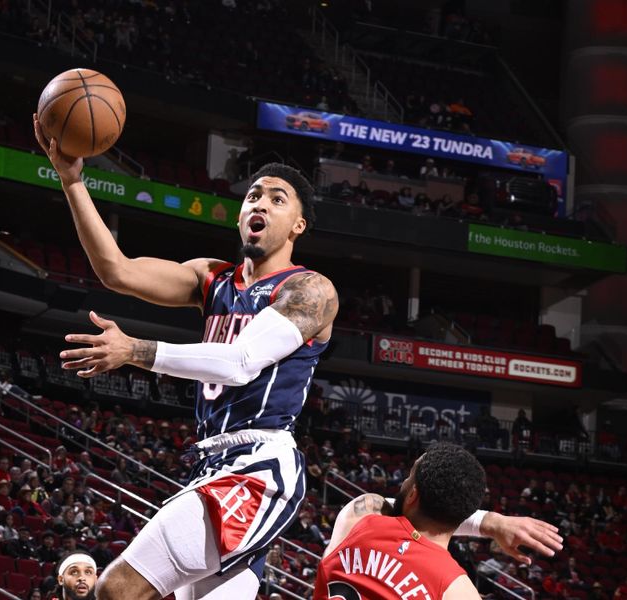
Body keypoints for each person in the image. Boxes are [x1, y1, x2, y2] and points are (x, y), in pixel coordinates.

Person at [34, 115, 337, 600]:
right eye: (254, 195)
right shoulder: (210, 279)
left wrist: (135, 349)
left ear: (298, 225)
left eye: (277, 199)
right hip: (210, 462)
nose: (260, 202)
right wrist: (72, 181)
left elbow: (240, 362)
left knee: (115, 590)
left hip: (259, 464)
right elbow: (117, 270)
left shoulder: (310, 289)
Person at [313, 443, 562, 600]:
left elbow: (388, 503)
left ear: (412, 494)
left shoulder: (360, 515)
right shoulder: (457, 589)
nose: (403, 483)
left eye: (409, 478)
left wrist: (489, 522)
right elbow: (443, 511)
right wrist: (490, 521)